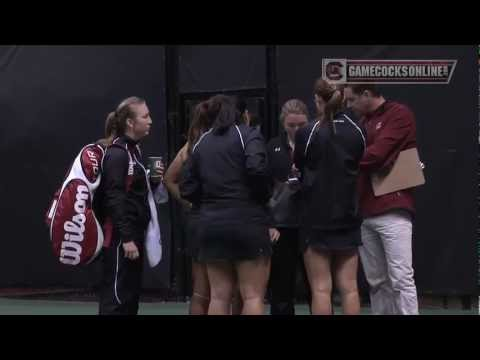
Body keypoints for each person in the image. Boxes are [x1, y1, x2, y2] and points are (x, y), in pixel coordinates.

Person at [180, 95, 279, 315]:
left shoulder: (201, 141)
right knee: (252, 296)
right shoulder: (249, 134)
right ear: (244, 115)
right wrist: (261, 196)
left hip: (211, 224)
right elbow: (256, 168)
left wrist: (207, 201)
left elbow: (186, 186)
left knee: (219, 296)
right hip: (247, 222)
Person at [344, 84, 419, 315]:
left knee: (401, 278)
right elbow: (373, 157)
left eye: (351, 100)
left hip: (393, 209)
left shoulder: (399, 114)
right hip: (366, 211)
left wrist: (342, 161)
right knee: (376, 281)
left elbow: (377, 155)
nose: (348, 106)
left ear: (367, 94)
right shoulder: (361, 123)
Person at [294, 79, 366, 315]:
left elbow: (299, 165)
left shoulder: (308, 132)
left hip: (316, 218)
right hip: (348, 216)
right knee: (350, 288)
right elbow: (360, 161)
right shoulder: (357, 130)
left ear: (318, 101)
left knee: (321, 289)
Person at [94, 96, 164, 315]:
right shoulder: (117, 154)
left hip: (134, 235)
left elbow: (134, 195)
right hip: (119, 239)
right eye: (145, 116)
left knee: (130, 298)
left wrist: (152, 182)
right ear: (130, 123)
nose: (150, 120)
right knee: (116, 300)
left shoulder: (135, 151)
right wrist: (126, 239)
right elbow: (114, 198)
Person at [164, 101, 211, 315]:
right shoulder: (198, 144)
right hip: (211, 218)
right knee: (220, 291)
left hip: (199, 219)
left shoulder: (192, 144)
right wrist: (187, 201)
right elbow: (169, 179)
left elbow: (169, 179)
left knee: (201, 291)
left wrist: (187, 202)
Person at [266, 99, 311, 315]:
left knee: (317, 288)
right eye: (291, 125)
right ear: (283, 123)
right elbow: (263, 189)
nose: (296, 129)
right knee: (281, 289)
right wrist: (270, 223)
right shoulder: (272, 147)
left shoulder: (317, 144)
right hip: (281, 227)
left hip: (310, 225)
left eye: (301, 125)